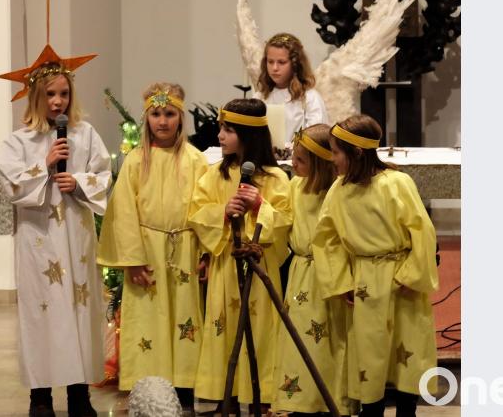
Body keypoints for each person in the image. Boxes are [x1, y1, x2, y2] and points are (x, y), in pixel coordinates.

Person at [0, 47, 112, 417]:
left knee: (80, 312)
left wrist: (76, 181)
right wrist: (43, 166)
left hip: (76, 239)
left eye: (64, 93)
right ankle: (40, 395)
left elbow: (102, 176)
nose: (58, 101)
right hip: (39, 240)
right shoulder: (18, 141)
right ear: (36, 97)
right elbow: (12, 187)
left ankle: (79, 394)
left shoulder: (86, 134)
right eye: (50, 94)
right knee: (42, 314)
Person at [312, 115, 438, 417]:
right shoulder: (339, 190)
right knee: (370, 353)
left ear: (356, 153)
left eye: (337, 152)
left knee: (407, 350)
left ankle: (407, 410)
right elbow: (326, 239)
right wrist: (341, 281)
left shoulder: (397, 183)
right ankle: (372, 410)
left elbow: (421, 230)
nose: (333, 159)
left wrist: (411, 273)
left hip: (401, 279)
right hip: (365, 282)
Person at [96, 83, 209, 411]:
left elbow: (206, 209)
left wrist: (204, 254)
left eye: (169, 114)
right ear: (146, 118)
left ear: (180, 117)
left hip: (184, 249)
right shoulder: (135, 161)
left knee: (184, 317)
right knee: (148, 320)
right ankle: (147, 386)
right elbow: (123, 213)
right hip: (147, 252)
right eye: (156, 114)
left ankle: (184, 386)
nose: (163, 121)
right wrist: (131, 260)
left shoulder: (195, 160)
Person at [188, 98, 292, 412]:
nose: (220, 135)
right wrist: (222, 212)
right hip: (225, 268)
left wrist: (261, 207)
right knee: (224, 328)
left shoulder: (276, 179)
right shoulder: (214, 175)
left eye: (228, 129)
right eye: (221, 127)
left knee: (259, 331)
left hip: (259, 269)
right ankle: (227, 394)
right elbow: (196, 213)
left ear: (248, 134)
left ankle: (260, 396)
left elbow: (286, 222)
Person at [273, 124, 348, 416]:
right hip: (301, 276)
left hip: (330, 277)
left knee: (328, 341)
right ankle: (300, 400)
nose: (293, 164)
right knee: (300, 338)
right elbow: (281, 220)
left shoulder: (340, 191)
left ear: (319, 163)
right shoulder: (295, 186)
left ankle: (328, 399)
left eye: (301, 160)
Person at [254, 33, 328, 146]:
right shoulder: (260, 97)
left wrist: (290, 148)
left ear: (295, 64)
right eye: (270, 61)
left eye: (281, 62)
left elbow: (317, 137)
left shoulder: (309, 98)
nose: (274, 68)